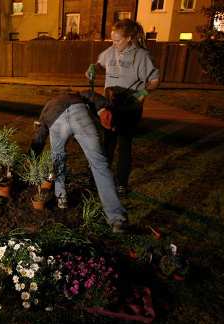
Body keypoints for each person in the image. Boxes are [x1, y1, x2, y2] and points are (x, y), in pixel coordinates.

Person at [29, 92, 128, 233]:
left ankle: (61, 200)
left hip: (56, 120)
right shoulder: (77, 95)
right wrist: (104, 108)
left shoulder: (47, 109)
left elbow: (39, 137)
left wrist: (31, 158)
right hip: (79, 114)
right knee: (99, 165)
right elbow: (96, 98)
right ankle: (117, 218)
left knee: (58, 159)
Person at [87, 19, 159, 196]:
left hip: (129, 107)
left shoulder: (142, 56)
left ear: (129, 38)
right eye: (112, 40)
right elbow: (99, 63)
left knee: (124, 145)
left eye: (117, 40)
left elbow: (155, 80)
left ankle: (121, 183)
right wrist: (93, 67)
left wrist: (142, 94)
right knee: (107, 144)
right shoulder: (111, 51)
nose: (114, 44)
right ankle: (100, 179)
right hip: (111, 104)